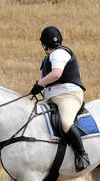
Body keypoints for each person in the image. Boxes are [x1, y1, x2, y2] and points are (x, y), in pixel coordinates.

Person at [30, 25, 90, 172]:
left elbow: (56, 74)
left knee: (65, 122)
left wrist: (39, 83)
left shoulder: (59, 54)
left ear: (43, 44)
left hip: (68, 96)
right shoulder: (49, 57)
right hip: (52, 97)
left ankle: (82, 155)